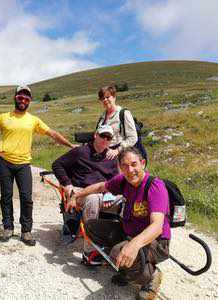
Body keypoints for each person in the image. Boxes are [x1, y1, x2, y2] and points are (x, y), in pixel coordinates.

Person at [67, 147, 170, 300]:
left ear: (143, 163)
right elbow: (101, 186)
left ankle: (151, 276)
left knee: (117, 253)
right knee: (91, 227)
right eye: (125, 166)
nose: (130, 170)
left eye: (134, 164)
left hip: (156, 241)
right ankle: (127, 268)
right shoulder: (124, 181)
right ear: (120, 168)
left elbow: (156, 226)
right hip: (129, 232)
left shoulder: (155, 186)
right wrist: (76, 195)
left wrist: (133, 245)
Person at [0, 85, 75, 246]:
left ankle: (26, 231)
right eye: (20, 97)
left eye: (26, 98)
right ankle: (8, 228)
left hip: (24, 164)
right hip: (4, 163)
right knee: (6, 197)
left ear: (29, 101)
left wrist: (70, 145)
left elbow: (53, 134)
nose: (23, 100)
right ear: (15, 98)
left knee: (26, 198)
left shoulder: (33, 120)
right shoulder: (4, 117)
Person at [52, 124, 121, 265]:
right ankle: (89, 251)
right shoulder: (80, 152)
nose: (105, 140)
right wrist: (67, 184)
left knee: (127, 200)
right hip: (82, 192)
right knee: (92, 199)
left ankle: (122, 243)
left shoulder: (111, 157)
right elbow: (57, 165)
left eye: (109, 138)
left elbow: (115, 180)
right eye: (103, 136)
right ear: (96, 135)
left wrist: (110, 195)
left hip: (105, 193)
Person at [96, 86, 138, 160]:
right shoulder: (102, 117)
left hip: (119, 155)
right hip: (104, 154)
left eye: (107, 97)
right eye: (102, 98)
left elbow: (133, 138)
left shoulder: (123, 113)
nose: (105, 100)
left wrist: (117, 150)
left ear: (114, 97)